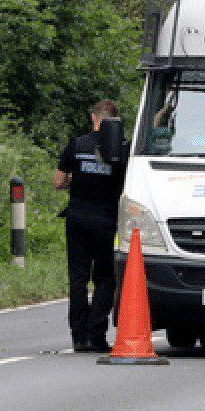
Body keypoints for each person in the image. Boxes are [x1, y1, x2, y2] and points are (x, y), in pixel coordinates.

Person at [54, 100, 128, 353]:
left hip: (77, 219)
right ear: (114, 122)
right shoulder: (121, 151)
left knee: (78, 278)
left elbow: (58, 181)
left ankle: (78, 337)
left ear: (92, 117)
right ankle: (97, 335)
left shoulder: (76, 144)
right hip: (106, 221)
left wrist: (74, 178)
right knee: (105, 279)